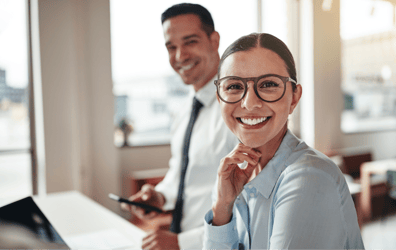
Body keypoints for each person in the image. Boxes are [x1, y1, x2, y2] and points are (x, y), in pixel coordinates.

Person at [203, 33, 365, 249]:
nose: (250, 103)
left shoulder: (309, 178)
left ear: (294, 98)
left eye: (268, 84)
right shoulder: (231, 176)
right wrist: (222, 207)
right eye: (234, 86)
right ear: (219, 97)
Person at [121, 3, 238, 250]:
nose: (179, 56)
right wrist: (160, 197)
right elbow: (183, 172)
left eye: (190, 42)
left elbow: (252, 201)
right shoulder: (184, 109)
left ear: (214, 40)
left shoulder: (239, 109)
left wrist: (182, 243)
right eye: (171, 47)